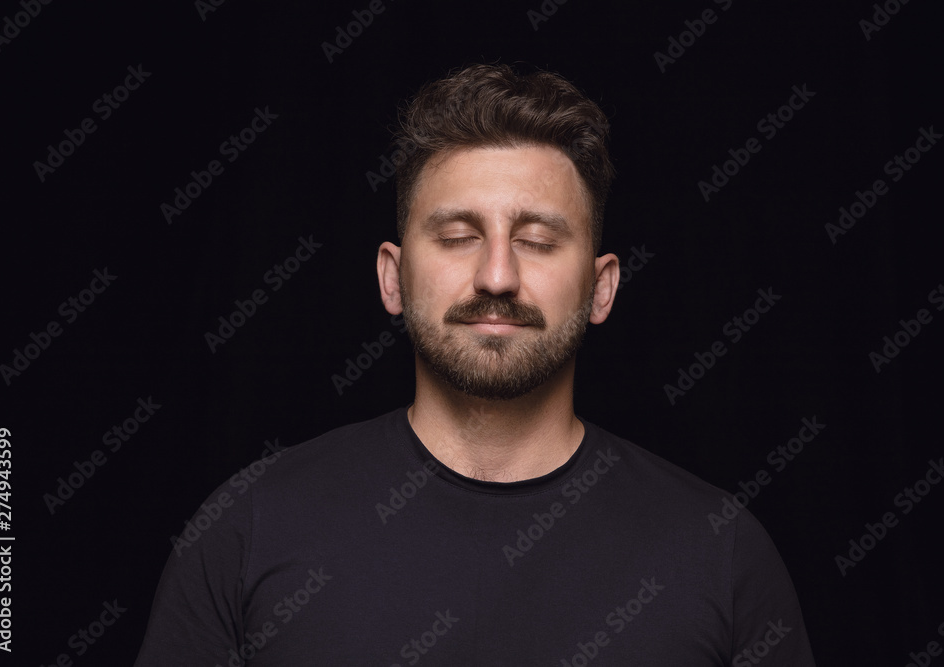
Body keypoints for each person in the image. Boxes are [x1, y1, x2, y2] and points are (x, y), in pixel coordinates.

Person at [135, 63, 817, 666]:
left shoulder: (721, 555)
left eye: (539, 240)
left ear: (602, 286)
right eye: (459, 237)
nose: (497, 274)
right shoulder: (247, 529)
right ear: (393, 278)